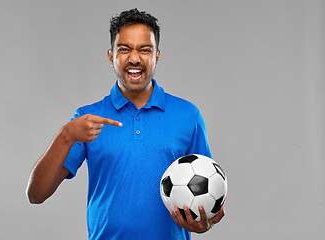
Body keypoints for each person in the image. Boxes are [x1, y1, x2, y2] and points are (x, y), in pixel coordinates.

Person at [26, 8, 225, 240]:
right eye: (124, 49)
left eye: (145, 49)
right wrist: (66, 135)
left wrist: (205, 223)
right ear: (111, 56)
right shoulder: (88, 119)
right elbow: (36, 194)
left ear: (157, 56)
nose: (134, 58)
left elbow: (207, 191)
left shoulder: (188, 115)